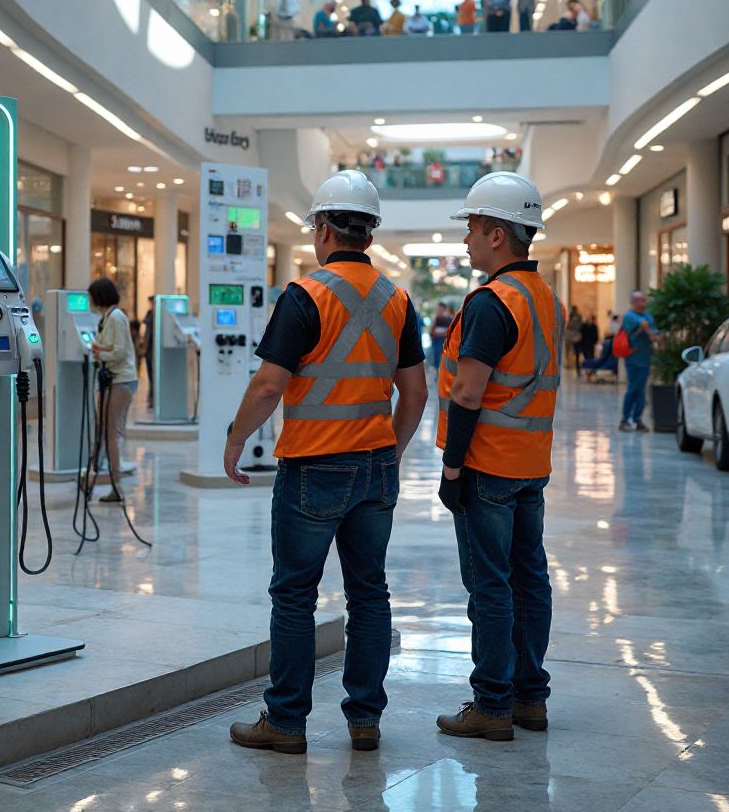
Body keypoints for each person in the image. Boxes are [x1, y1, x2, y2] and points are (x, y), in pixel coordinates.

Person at [226, 170, 428, 755]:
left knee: (295, 595)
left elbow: (269, 385)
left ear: (321, 229)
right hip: (375, 466)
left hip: (313, 467)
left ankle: (286, 722)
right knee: (369, 594)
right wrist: (390, 450)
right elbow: (416, 393)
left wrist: (235, 440)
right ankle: (365, 720)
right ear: (370, 234)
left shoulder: (305, 295)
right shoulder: (397, 300)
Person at [434, 170, 564, 742]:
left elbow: (468, 394)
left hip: (487, 466)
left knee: (490, 586)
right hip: (531, 465)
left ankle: (491, 704)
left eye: (472, 228)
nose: (466, 239)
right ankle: (529, 698)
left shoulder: (492, 304)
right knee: (530, 580)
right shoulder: (546, 298)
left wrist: (452, 468)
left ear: (496, 235)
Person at [88, 277, 139, 503]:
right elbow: (113, 346)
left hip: (121, 381)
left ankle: (116, 487)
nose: (89, 300)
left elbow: (120, 352)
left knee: (110, 434)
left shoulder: (116, 317)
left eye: (91, 296)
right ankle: (93, 481)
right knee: (103, 432)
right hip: (113, 381)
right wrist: (99, 347)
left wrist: (100, 353)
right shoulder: (108, 317)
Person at [620, 290, 659, 432]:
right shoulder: (629, 316)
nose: (644, 303)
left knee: (641, 389)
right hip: (633, 359)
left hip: (645, 358)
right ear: (634, 302)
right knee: (633, 388)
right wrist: (649, 333)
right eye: (641, 300)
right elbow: (643, 326)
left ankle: (638, 419)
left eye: (644, 300)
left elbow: (654, 330)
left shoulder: (647, 315)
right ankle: (625, 419)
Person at [430, 301, 453, 372]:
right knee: (437, 359)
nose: (440, 311)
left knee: (444, 359)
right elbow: (431, 333)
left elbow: (450, 332)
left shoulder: (449, 319)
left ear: (444, 309)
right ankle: (437, 373)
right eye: (439, 309)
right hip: (437, 342)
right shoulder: (436, 319)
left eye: (441, 309)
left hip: (444, 342)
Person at [142, 296, 155, 410]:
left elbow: (148, 332)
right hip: (150, 349)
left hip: (154, 349)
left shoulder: (154, 315)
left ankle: (153, 397)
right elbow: (147, 332)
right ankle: (151, 397)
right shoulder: (150, 314)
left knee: (154, 375)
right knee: (151, 375)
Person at [566, 306, 583, 375]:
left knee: (577, 353)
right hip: (570, 337)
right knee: (569, 352)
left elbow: (579, 326)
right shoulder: (570, 316)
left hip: (576, 337)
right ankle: (570, 365)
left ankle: (577, 368)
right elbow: (568, 326)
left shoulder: (579, 317)